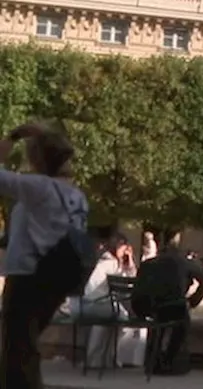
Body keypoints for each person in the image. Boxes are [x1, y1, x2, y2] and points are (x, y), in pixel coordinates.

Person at [0, 123, 89, 389]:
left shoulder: (39, 187)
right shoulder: (76, 196)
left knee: (17, 349)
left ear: (37, 158)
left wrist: (11, 138)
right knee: (24, 346)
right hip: (56, 277)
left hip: (29, 274)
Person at [131, 232, 203, 375]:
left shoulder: (147, 264)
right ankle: (169, 360)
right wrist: (193, 301)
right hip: (172, 305)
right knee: (182, 323)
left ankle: (153, 360)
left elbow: (139, 289)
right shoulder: (182, 262)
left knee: (158, 323)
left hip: (145, 307)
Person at [73, 235, 147, 368]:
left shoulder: (105, 260)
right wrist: (129, 262)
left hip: (88, 304)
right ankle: (110, 357)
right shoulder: (111, 263)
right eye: (124, 248)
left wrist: (128, 261)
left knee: (105, 323)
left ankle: (97, 358)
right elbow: (129, 283)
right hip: (99, 303)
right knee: (121, 318)